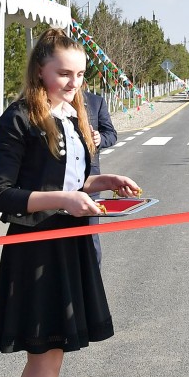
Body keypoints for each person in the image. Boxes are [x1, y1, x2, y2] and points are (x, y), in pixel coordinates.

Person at [0, 28, 140, 377]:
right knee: (45, 358)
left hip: (66, 242)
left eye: (80, 75)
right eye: (64, 74)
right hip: (37, 248)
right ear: (40, 70)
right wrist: (66, 200)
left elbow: (67, 180)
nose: (75, 83)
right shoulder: (19, 119)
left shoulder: (70, 115)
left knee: (47, 357)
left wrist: (100, 183)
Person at [83, 89, 118, 265]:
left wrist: (99, 139)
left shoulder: (95, 102)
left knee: (90, 236)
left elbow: (111, 134)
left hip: (89, 180)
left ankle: (93, 276)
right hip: (54, 185)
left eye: (79, 76)